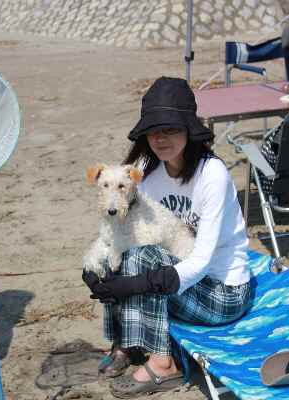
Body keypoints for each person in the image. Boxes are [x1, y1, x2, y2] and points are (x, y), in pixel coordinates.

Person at [83, 76, 252, 397]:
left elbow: (201, 261)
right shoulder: (146, 169)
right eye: (153, 130)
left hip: (222, 291)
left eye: (171, 129)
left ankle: (164, 364)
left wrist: (137, 283)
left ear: (189, 129)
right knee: (119, 254)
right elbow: (122, 230)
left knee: (140, 259)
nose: (160, 139)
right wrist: (95, 271)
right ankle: (128, 342)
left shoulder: (211, 174)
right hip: (181, 279)